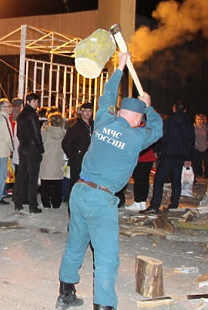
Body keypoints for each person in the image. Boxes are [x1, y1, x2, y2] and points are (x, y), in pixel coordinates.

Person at [56, 52, 162, 310]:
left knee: (75, 245)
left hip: (79, 192)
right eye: (141, 118)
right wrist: (149, 105)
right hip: (101, 199)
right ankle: (103, 305)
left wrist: (119, 69)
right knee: (106, 257)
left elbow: (105, 98)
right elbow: (158, 129)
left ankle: (65, 295)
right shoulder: (136, 137)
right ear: (137, 118)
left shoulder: (103, 121)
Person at [143, 101, 194, 214]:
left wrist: (156, 150)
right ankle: (174, 205)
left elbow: (161, 137)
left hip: (167, 154)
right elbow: (191, 141)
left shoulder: (168, 121)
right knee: (176, 181)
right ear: (185, 110)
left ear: (174, 109)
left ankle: (155, 206)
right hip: (180, 156)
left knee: (159, 180)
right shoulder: (189, 124)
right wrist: (189, 158)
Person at [14, 92, 44, 213]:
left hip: (23, 147)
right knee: (33, 178)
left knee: (21, 176)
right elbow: (37, 133)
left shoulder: (21, 115)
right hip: (32, 149)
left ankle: (18, 202)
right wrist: (41, 148)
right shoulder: (33, 115)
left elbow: (18, 133)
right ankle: (32, 205)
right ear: (29, 102)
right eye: (35, 101)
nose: (37, 104)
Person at [62, 102, 94, 192]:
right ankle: (72, 204)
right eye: (85, 111)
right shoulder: (75, 127)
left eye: (90, 111)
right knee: (76, 184)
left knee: (88, 184)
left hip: (90, 161)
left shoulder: (94, 126)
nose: (87, 113)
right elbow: (65, 143)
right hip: (78, 161)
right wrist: (74, 155)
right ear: (81, 112)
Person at [39, 112, 66, 209]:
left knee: (45, 184)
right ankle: (56, 203)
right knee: (57, 184)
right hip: (59, 160)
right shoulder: (64, 133)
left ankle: (46, 203)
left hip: (47, 159)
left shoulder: (45, 131)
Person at [124, 144, 157, 211]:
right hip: (149, 157)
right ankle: (142, 202)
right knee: (145, 180)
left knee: (138, 180)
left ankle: (137, 202)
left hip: (140, 157)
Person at [192, 114, 208, 179]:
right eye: (198, 119)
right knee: (196, 164)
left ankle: (206, 176)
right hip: (197, 148)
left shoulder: (205, 127)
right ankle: (194, 177)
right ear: (195, 120)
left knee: (207, 162)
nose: (199, 121)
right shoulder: (193, 127)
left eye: (201, 119)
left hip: (205, 147)